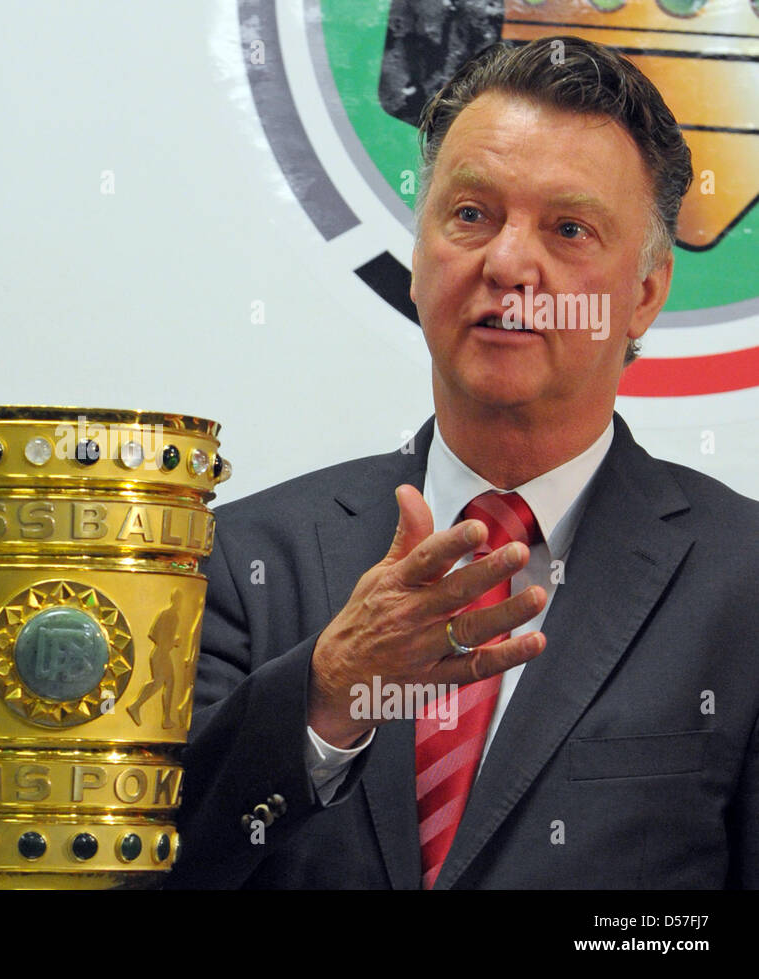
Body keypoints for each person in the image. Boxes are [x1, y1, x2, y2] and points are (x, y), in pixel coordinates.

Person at [170, 36, 759, 889]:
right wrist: (331, 690)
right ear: (417, 257)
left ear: (644, 293)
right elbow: (166, 867)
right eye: (472, 214)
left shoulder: (742, 583)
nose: (508, 263)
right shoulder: (240, 560)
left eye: (568, 228)